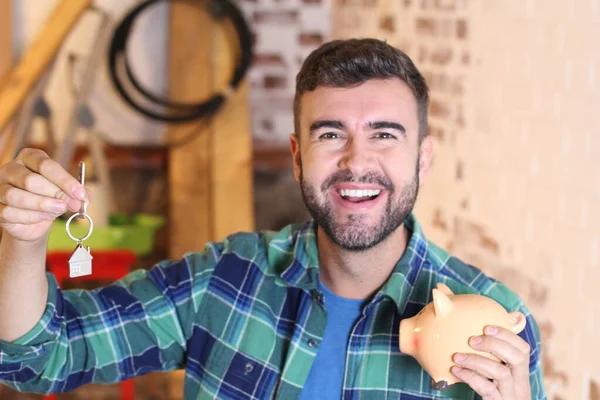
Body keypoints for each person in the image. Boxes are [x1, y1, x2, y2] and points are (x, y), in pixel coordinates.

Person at [0, 38, 546, 399]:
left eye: (385, 134)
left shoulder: (495, 325)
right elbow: (43, 356)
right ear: (297, 155)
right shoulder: (226, 278)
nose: (357, 161)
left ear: (422, 158)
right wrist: (22, 241)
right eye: (331, 134)